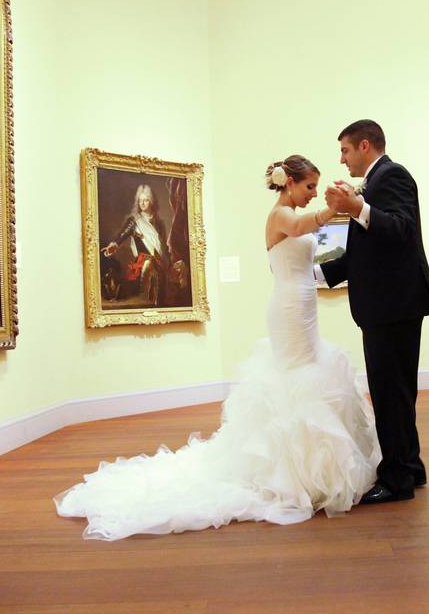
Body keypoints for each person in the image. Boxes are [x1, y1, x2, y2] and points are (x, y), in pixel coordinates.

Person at [55, 154, 380, 539]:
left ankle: (314, 470)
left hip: (304, 302)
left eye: (315, 188)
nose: (312, 194)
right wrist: (336, 207)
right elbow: (302, 224)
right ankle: (288, 473)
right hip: (288, 308)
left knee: (311, 372)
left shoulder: (291, 213)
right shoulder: (279, 215)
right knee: (294, 375)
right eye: (308, 187)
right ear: (288, 183)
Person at [320, 119, 429, 504]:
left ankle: (398, 480)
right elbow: (366, 252)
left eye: (345, 150)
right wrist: (319, 274)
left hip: (394, 305)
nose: (342, 160)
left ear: (365, 145)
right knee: (397, 392)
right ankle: (411, 467)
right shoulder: (377, 182)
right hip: (389, 304)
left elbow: (402, 230)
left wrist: (356, 206)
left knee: (391, 393)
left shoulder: (393, 175)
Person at [102, 185, 169, 305]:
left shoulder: (159, 223)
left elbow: (164, 247)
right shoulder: (134, 221)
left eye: (146, 200)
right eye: (140, 200)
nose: (142, 203)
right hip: (141, 263)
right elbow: (122, 234)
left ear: (152, 201)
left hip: (160, 264)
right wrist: (114, 245)